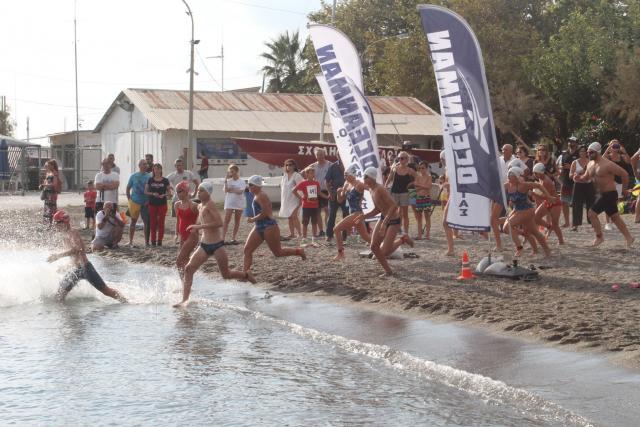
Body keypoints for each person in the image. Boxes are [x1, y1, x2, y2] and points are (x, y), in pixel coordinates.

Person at [174, 181, 256, 307]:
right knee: (189, 269)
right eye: (199, 191)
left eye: (201, 191)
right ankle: (184, 300)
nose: (198, 193)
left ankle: (246, 275)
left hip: (217, 245)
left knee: (226, 274)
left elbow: (219, 223)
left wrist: (199, 226)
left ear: (208, 193)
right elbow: (199, 219)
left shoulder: (210, 205)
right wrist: (195, 228)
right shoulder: (200, 206)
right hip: (204, 245)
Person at [49, 210, 127, 303]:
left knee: (106, 291)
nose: (55, 225)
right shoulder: (65, 235)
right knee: (59, 295)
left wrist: (58, 256)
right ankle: (64, 313)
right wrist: (66, 266)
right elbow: (75, 257)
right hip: (76, 270)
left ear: (64, 222)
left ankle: (126, 302)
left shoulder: (72, 232)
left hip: (86, 268)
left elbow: (77, 249)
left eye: (57, 222)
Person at [574, 142, 634, 247]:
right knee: (615, 217)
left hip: (609, 193)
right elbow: (586, 177)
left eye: (591, 152)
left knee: (591, 214)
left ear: (597, 152)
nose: (589, 154)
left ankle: (599, 237)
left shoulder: (607, 164)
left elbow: (624, 174)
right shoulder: (590, 164)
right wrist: (578, 178)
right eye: (588, 152)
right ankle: (629, 238)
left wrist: (624, 190)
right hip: (600, 194)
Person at [357, 167, 414, 276]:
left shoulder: (380, 189)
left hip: (394, 220)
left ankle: (402, 239)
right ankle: (388, 271)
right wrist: (364, 216)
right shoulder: (371, 189)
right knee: (374, 247)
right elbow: (378, 209)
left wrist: (384, 223)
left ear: (372, 178)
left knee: (385, 252)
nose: (363, 179)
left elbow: (393, 206)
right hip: (384, 218)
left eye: (366, 177)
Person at [243, 175, 306, 273]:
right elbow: (268, 207)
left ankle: (298, 251)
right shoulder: (257, 195)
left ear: (257, 186)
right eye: (248, 185)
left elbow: (265, 212)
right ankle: (245, 274)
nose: (249, 187)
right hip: (259, 226)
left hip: (269, 227)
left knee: (278, 252)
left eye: (251, 185)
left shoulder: (261, 195)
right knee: (247, 250)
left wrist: (253, 219)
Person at [503, 166, 552, 258]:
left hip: (527, 211)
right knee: (534, 232)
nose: (509, 177)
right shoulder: (507, 185)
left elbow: (538, 185)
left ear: (516, 176)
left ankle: (519, 248)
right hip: (517, 210)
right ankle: (544, 250)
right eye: (508, 175)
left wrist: (548, 196)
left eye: (511, 175)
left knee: (507, 227)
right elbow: (496, 189)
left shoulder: (523, 185)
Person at [332, 165, 370, 260]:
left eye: (346, 175)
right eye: (344, 175)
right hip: (353, 213)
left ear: (353, 175)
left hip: (357, 213)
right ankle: (382, 247)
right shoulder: (346, 184)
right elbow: (340, 200)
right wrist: (338, 192)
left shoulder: (359, 184)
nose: (345, 177)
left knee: (336, 229)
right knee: (365, 237)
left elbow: (372, 188)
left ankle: (341, 254)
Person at [385, 151, 417, 236]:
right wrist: (385, 187)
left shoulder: (410, 170)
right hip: (394, 193)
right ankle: (396, 229)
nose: (400, 160)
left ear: (407, 159)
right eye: (399, 158)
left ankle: (405, 232)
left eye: (402, 158)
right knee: (394, 213)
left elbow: (418, 178)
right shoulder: (395, 168)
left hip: (405, 194)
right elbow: (389, 179)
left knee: (405, 213)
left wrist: (411, 184)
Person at [532, 163, 565, 245]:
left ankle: (561, 241)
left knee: (555, 224)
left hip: (555, 203)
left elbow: (546, 197)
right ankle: (549, 227)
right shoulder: (542, 178)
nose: (534, 175)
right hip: (549, 201)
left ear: (540, 172)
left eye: (535, 173)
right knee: (536, 218)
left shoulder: (546, 181)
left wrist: (533, 194)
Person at [174, 181, 200, 280]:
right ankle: (186, 282)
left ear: (186, 191)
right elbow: (178, 220)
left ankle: (185, 283)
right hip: (182, 235)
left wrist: (196, 226)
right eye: (177, 192)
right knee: (184, 259)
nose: (178, 194)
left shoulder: (193, 205)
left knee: (179, 260)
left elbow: (201, 218)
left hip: (192, 236)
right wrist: (176, 234)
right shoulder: (176, 205)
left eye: (180, 191)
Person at [293, 166, 325, 246]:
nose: (313, 174)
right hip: (306, 206)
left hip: (315, 206)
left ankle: (314, 239)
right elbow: (294, 190)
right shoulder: (303, 183)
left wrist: (327, 196)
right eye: (311, 173)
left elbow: (319, 193)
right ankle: (304, 239)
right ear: (307, 174)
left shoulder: (316, 183)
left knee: (314, 222)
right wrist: (301, 197)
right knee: (305, 223)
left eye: (313, 172)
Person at [145, 163, 171, 247]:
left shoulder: (165, 180)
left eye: (158, 169)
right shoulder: (150, 180)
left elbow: (169, 193)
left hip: (162, 203)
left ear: (161, 170)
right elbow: (145, 192)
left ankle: (160, 241)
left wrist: (165, 195)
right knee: (152, 223)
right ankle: (153, 240)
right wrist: (153, 194)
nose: (156, 170)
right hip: (152, 203)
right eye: (155, 169)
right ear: (153, 170)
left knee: (161, 222)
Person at [126, 159, 152, 246]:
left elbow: (151, 190)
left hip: (145, 203)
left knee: (146, 222)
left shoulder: (149, 177)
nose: (145, 166)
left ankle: (146, 242)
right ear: (139, 165)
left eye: (146, 164)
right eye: (143, 164)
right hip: (134, 202)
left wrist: (148, 200)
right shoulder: (133, 176)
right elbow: (128, 188)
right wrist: (129, 199)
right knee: (133, 222)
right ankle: (130, 241)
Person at [569, 145, 595, 231]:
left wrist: (588, 175)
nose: (582, 153)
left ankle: (593, 223)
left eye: (584, 151)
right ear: (578, 152)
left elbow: (594, 173)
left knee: (591, 204)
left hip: (588, 184)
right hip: (578, 184)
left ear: (587, 152)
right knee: (576, 204)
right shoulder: (575, 162)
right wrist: (576, 174)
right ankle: (575, 224)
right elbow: (570, 175)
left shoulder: (591, 162)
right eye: (581, 151)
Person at [325, 158, 349, 243]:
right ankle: (329, 235)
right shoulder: (333, 166)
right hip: (334, 194)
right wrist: (330, 193)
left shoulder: (349, 164)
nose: (339, 155)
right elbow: (327, 181)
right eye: (338, 154)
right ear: (337, 155)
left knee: (346, 215)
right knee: (332, 215)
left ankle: (345, 236)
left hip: (346, 195)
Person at [279, 159, 303, 240]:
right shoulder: (284, 175)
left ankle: (300, 234)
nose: (288, 166)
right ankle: (292, 234)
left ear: (294, 166)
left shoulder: (297, 175)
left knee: (294, 216)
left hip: (295, 200)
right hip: (286, 200)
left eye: (290, 165)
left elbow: (301, 188)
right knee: (289, 217)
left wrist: (301, 200)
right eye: (287, 165)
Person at [558, 136, 580, 228]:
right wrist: (561, 169)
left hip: (577, 181)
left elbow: (585, 166)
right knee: (564, 202)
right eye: (570, 142)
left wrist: (571, 167)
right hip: (566, 181)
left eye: (573, 142)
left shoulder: (580, 154)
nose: (571, 143)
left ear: (577, 143)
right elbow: (558, 166)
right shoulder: (563, 154)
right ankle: (567, 222)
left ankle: (575, 223)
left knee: (576, 203)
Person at [311, 148, 332, 237]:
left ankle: (328, 229)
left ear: (324, 154)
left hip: (327, 190)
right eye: (317, 155)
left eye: (321, 154)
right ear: (315, 156)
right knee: (317, 211)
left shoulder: (330, 164)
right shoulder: (313, 166)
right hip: (315, 190)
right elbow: (303, 172)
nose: (319, 156)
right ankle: (321, 231)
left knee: (327, 210)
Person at [222, 164, 246, 244]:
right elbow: (225, 190)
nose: (231, 173)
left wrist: (231, 189)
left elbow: (240, 192)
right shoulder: (229, 181)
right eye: (230, 172)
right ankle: (222, 238)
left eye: (232, 171)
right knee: (226, 220)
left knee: (237, 220)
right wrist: (225, 180)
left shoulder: (242, 181)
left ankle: (233, 238)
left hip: (239, 203)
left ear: (236, 171)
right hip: (229, 203)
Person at [410, 161, 433, 240]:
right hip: (419, 197)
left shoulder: (429, 176)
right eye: (420, 168)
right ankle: (419, 235)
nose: (421, 169)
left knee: (427, 216)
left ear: (426, 168)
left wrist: (420, 186)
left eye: (423, 168)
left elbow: (429, 186)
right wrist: (423, 186)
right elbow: (416, 188)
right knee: (419, 217)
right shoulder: (418, 176)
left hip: (426, 197)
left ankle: (428, 235)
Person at [41, 159, 62, 224]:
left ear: (53, 166)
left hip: (52, 193)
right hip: (47, 192)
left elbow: (54, 184)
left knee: (52, 207)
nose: (47, 167)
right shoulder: (48, 173)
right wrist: (43, 185)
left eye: (49, 165)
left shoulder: (54, 173)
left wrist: (45, 184)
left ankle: (53, 222)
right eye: (47, 166)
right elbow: (47, 181)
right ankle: (47, 222)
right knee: (47, 207)